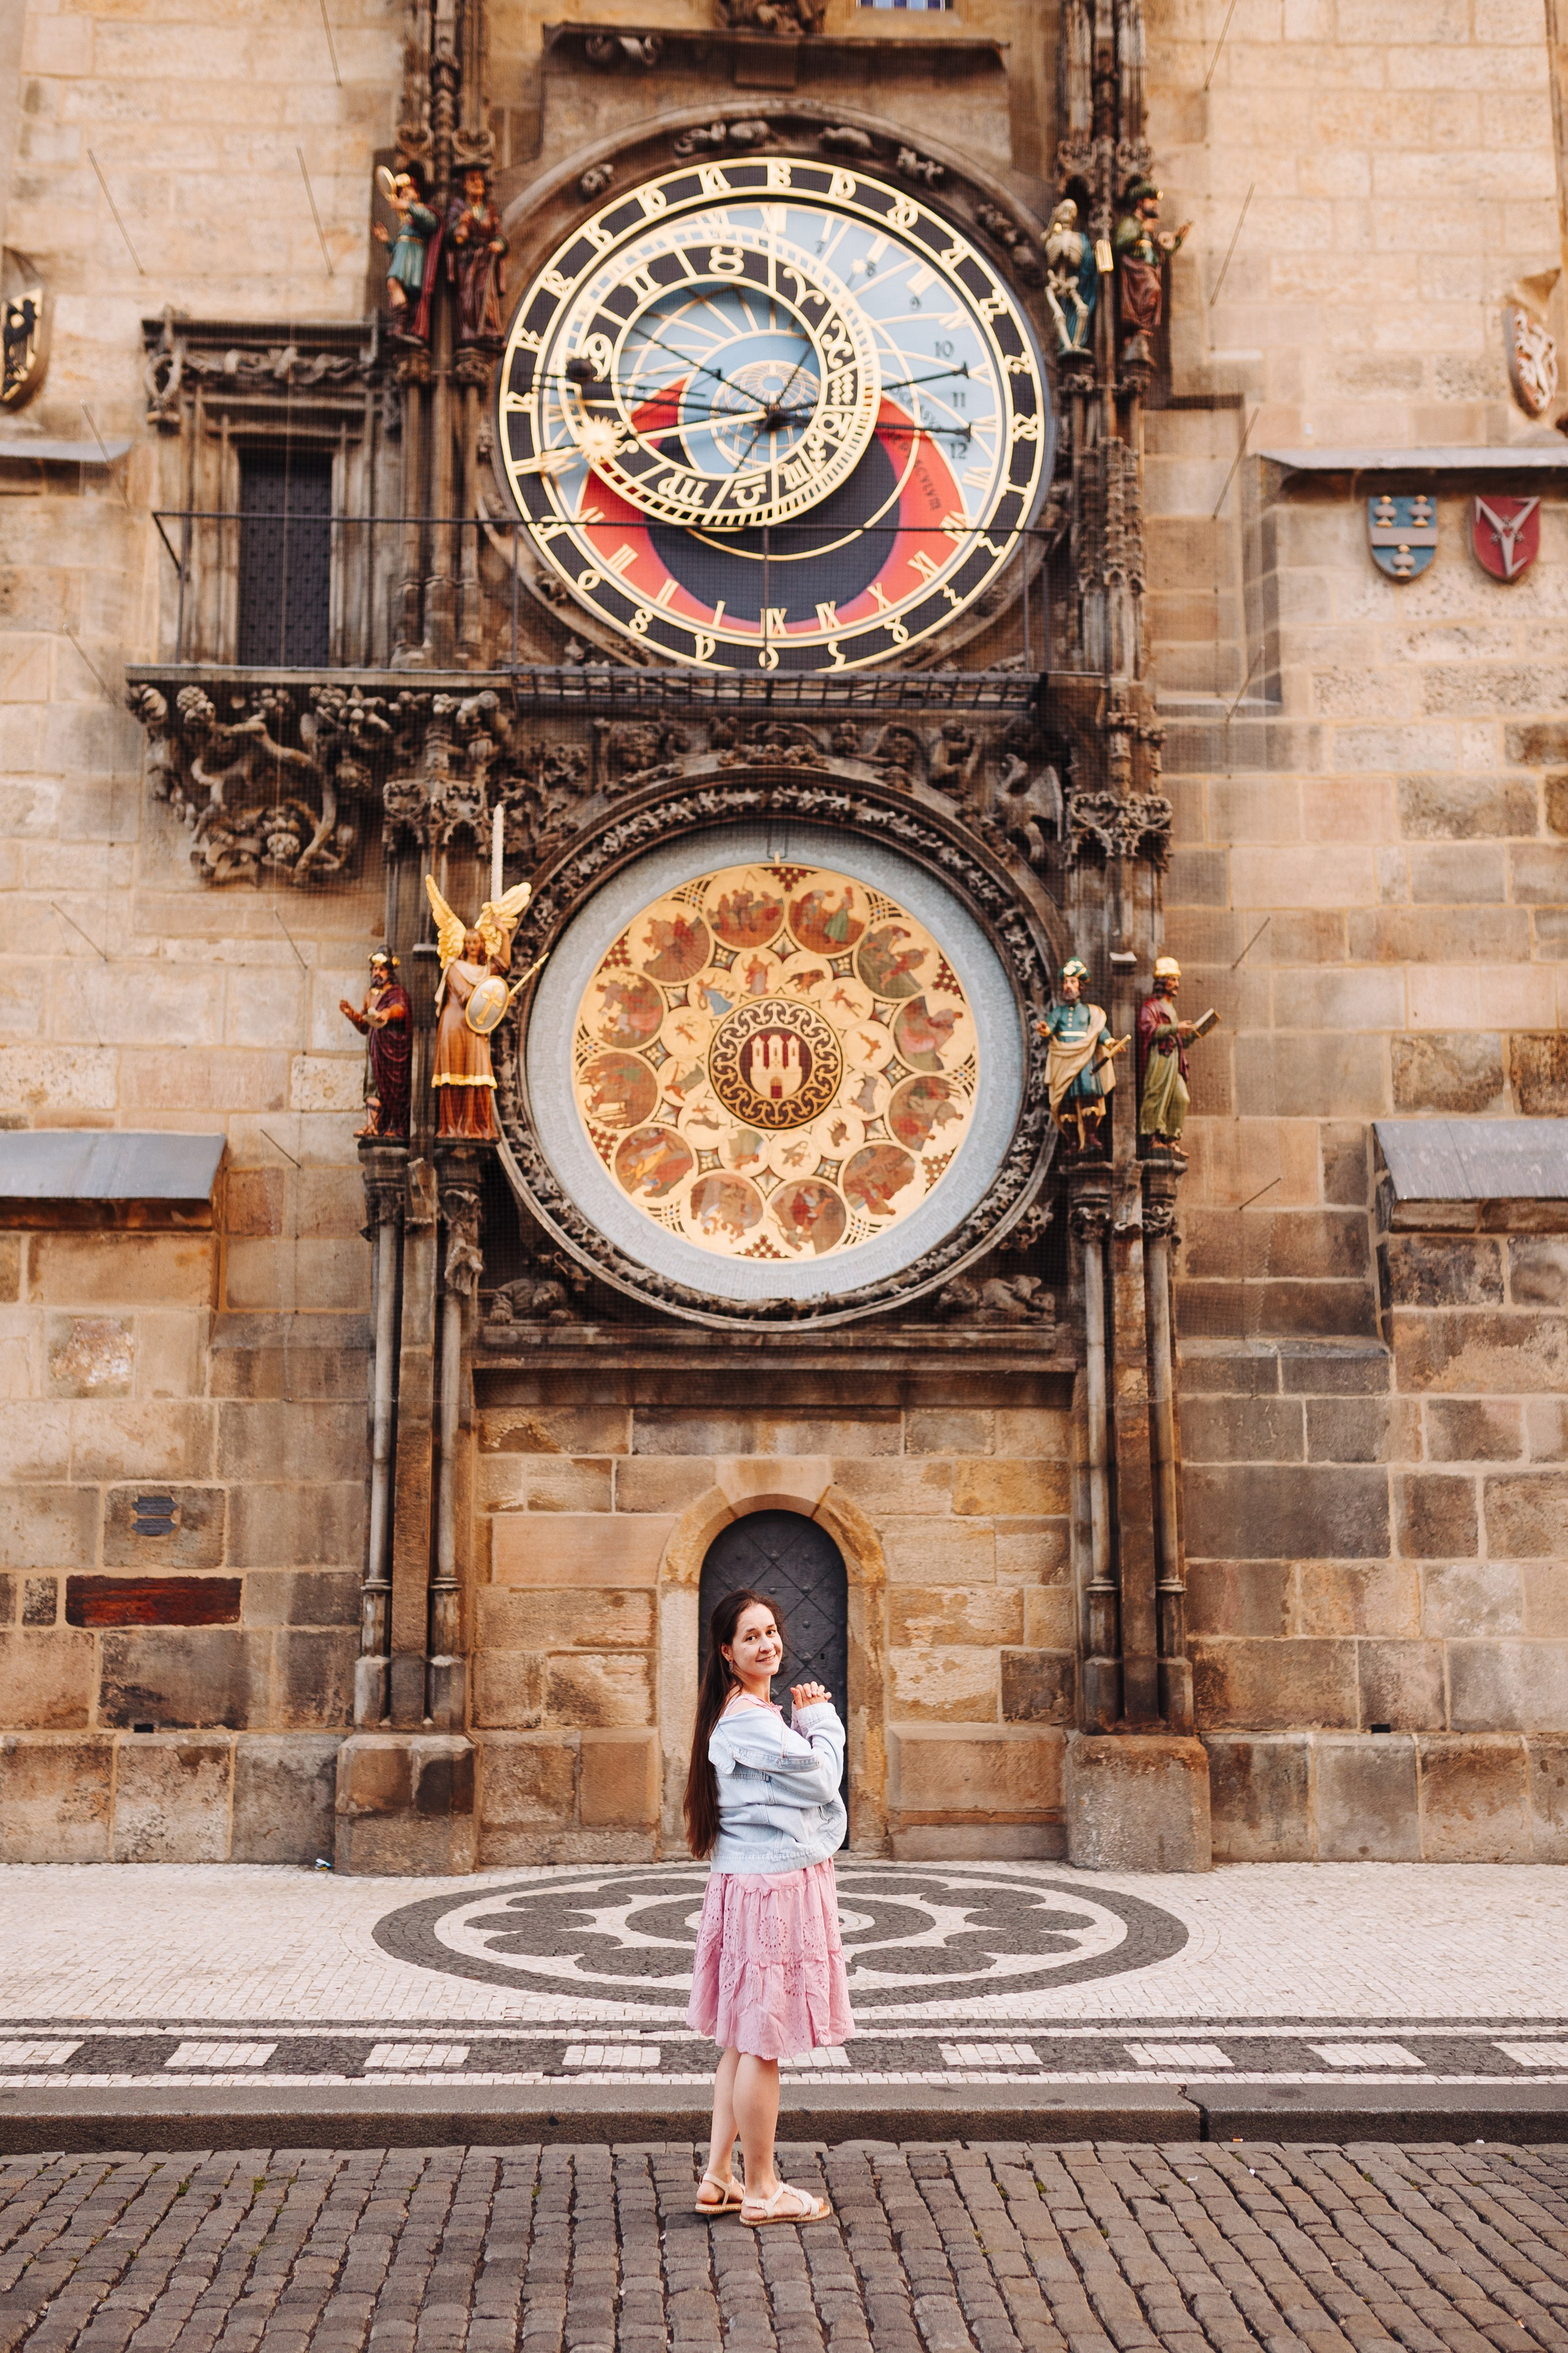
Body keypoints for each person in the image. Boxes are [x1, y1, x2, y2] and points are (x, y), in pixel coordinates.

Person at [684, 1588, 854, 2227]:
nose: (768, 1643)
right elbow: (817, 1778)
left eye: (772, 1630)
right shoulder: (749, 1718)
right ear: (727, 1652)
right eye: (751, 1636)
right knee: (762, 2042)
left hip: (750, 1883)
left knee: (738, 2037)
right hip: (769, 1891)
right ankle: (762, 2189)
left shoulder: (743, 1710)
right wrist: (822, 1722)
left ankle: (718, 2177)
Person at [1038, 956, 1125, 1155]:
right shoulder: (1058, 1012)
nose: (1068, 986)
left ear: (1081, 986)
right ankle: (1073, 1142)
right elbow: (1049, 1029)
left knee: (1089, 1097)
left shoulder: (1089, 1012)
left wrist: (1110, 1042)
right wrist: (1044, 1029)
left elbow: (1098, 1031)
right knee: (1066, 1101)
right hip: (1064, 1058)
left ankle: (1091, 1136)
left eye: (1072, 982)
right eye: (1066, 982)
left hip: (1085, 1059)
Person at [339, 950, 411, 1140]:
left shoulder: (397, 992)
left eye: (381, 969)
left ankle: (395, 1126)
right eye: (374, 969)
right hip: (374, 1047)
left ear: (389, 972)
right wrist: (352, 1015)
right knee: (372, 1085)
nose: (377, 973)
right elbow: (364, 1026)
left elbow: (400, 1009)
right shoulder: (370, 995)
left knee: (394, 1088)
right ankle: (372, 1126)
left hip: (393, 1048)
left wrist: (387, 1013)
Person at [1137, 954, 1199, 1159]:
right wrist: (1175, 1028)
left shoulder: (1171, 1008)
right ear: (1162, 982)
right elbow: (1147, 1028)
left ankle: (1171, 1139)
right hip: (1159, 1058)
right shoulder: (1151, 1006)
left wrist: (1191, 1036)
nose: (1177, 985)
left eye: (1177, 980)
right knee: (1157, 1094)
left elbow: (1176, 1036)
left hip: (1174, 1058)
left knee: (1181, 1097)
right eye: (1173, 980)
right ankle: (1154, 1137)